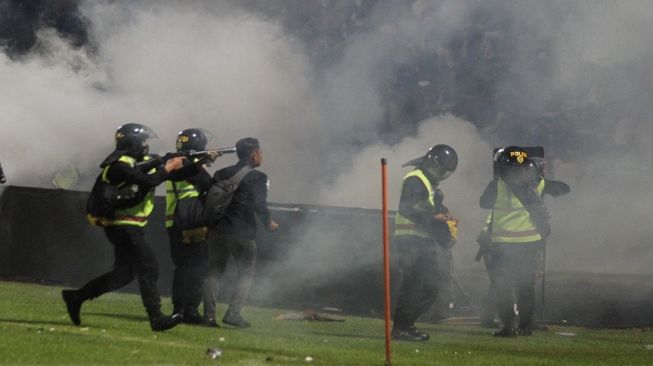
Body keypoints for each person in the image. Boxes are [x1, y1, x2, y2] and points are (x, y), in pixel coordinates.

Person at [62, 123, 186, 331]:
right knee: (149, 267)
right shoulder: (120, 165)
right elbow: (149, 180)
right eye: (143, 141)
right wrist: (167, 166)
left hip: (124, 225)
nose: (146, 146)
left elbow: (150, 173)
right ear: (134, 144)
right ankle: (156, 317)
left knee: (124, 274)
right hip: (124, 225)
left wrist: (194, 161)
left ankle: (76, 296)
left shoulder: (126, 164)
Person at [478, 146, 569, 337]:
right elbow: (562, 189)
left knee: (508, 286)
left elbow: (484, 202)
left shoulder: (500, 185)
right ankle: (523, 326)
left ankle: (511, 326)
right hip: (524, 243)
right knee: (523, 286)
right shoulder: (530, 185)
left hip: (506, 244)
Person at [203, 137, 278, 328]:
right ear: (254, 154)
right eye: (260, 152)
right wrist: (268, 222)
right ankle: (233, 314)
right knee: (246, 272)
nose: (261, 156)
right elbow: (259, 204)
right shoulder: (258, 177)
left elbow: (209, 200)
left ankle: (209, 317)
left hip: (218, 230)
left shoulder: (221, 173)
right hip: (242, 232)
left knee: (214, 271)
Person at [392, 144, 459, 341]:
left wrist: (445, 220)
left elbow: (429, 210)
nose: (440, 174)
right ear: (431, 163)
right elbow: (407, 209)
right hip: (410, 240)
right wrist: (436, 218)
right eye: (439, 170)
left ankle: (405, 325)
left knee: (428, 285)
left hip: (421, 240)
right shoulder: (415, 180)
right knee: (417, 285)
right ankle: (402, 327)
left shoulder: (428, 183)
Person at [164, 128, 220, 326]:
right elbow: (209, 184)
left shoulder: (177, 162)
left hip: (175, 221)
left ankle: (180, 310)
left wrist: (203, 160)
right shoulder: (187, 164)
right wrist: (204, 161)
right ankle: (188, 310)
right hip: (190, 222)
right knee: (197, 268)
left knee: (183, 269)